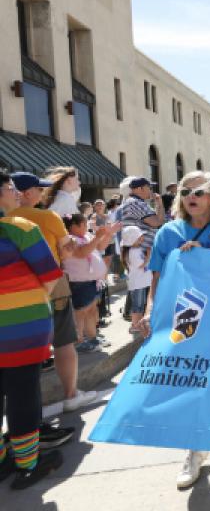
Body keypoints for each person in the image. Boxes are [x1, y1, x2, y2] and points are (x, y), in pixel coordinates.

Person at [138, 171, 210, 489]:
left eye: (198, 191)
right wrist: (149, 313)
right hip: (185, 316)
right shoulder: (168, 232)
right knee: (189, 381)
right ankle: (194, 450)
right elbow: (156, 278)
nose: (191, 196)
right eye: (185, 191)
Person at [8, 173, 97, 415]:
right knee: (63, 341)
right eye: (39, 189)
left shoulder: (7, 218)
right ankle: (70, 395)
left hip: (12, 291)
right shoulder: (47, 217)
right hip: (51, 282)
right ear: (26, 193)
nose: (43, 193)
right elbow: (70, 251)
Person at [0, 171, 65, 489]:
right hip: (20, 330)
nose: (13, 193)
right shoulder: (20, 228)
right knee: (23, 394)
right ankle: (28, 464)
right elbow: (50, 276)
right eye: (9, 188)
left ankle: (2, 462)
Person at [61, 214, 119, 353]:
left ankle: (92, 339)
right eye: (83, 225)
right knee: (80, 313)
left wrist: (109, 234)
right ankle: (79, 342)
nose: (86, 227)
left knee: (92, 311)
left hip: (93, 282)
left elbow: (99, 247)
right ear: (73, 226)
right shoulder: (69, 240)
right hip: (80, 283)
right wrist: (97, 236)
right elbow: (81, 253)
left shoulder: (86, 235)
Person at [118, 176, 166, 257]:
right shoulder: (135, 202)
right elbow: (156, 222)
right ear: (140, 189)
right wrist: (160, 204)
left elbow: (157, 220)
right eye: (149, 187)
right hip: (142, 251)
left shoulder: (137, 202)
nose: (151, 190)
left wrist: (158, 203)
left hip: (142, 250)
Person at [120, 226, 151, 335]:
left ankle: (138, 324)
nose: (142, 238)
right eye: (139, 237)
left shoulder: (136, 249)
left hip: (141, 282)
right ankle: (134, 325)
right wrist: (149, 257)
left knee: (141, 304)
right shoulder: (133, 252)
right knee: (137, 305)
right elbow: (140, 265)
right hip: (137, 283)